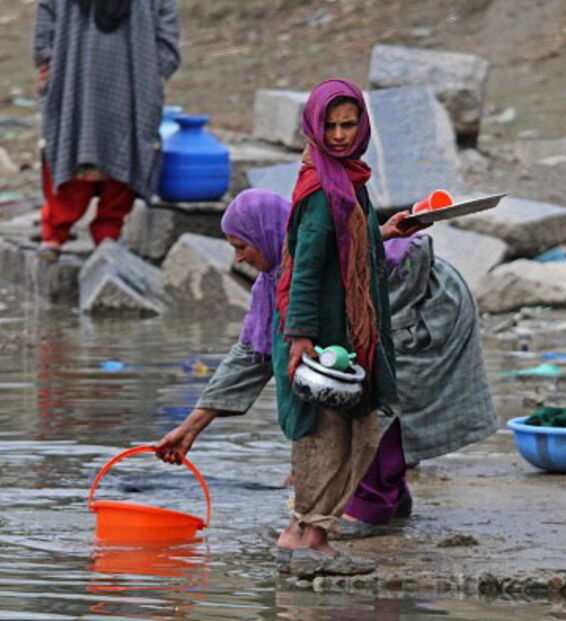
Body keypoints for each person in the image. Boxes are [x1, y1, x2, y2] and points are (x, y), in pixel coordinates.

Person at [158, 79, 422, 578]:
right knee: (329, 440)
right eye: (331, 125)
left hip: (344, 339)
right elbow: (303, 270)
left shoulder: (346, 182)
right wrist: (301, 337)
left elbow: (332, 254)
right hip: (324, 344)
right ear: (313, 127)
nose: (341, 135)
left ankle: (304, 535)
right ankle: (309, 538)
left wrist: (382, 231)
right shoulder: (323, 191)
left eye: (349, 125)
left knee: (351, 438)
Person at [338, 234, 498, 537]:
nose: (240, 259)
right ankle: (393, 495)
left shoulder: (388, 267)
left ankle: (370, 507)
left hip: (420, 316)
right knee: (386, 406)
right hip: (415, 307)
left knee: (383, 407)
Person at [32, 0, 181, 262]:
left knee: (127, 150)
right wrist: (47, 59)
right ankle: (54, 233)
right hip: (73, 75)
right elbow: (47, 14)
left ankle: (108, 235)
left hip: (134, 77)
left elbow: (166, 24)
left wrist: (156, 65)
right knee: (70, 150)